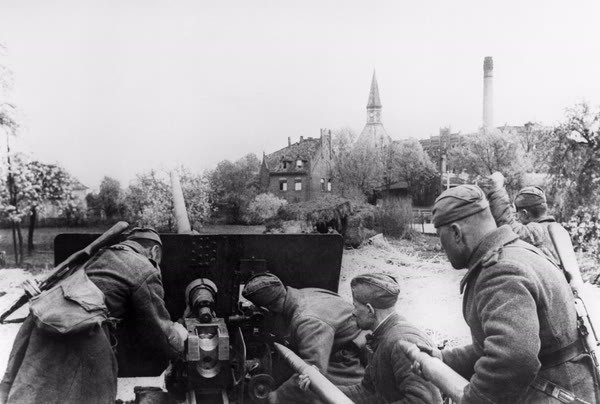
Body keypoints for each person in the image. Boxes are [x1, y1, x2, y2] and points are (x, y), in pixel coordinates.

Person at [426, 184, 598, 403]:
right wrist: (445, 359)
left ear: (456, 233)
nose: (442, 247)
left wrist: (473, 398)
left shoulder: (501, 271)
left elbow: (513, 360)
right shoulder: (520, 253)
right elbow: (499, 344)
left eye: (441, 238)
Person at [0, 227, 188, 404]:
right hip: (83, 331)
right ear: (155, 251)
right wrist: (179, 335)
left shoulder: (97, 256)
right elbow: (160, 333)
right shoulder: (144, 269)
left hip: (44, 322)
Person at [314, 273, 443, 404]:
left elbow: (425, 401)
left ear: (370, 310)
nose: (353, 312)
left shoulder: (401, 341)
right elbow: (367, 392)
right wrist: (319, 388)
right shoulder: (382, 337)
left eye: (356, 306)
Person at [241, 272, 365, 404]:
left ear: (268, 308)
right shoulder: (299, 295)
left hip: (353, 353)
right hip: (338, 343)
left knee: (311, 389)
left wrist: (277, 397)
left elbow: (313, 372)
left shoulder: (308, 321)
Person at [482, 172, 561, 264]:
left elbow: (507, 226)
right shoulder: (556, 229)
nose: (517, 218)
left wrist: (497, 189)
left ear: (524, 214)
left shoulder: (537, 230)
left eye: (517, 214)